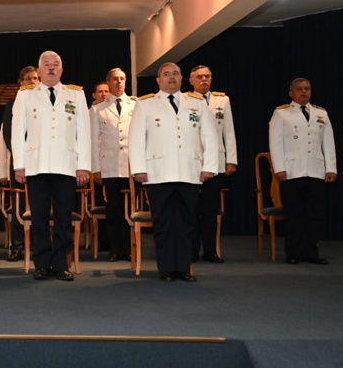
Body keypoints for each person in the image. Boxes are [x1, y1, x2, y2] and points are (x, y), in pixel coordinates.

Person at [129, 62, 217, 282]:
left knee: (187, 222)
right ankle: (167, 268)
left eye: (175, 74)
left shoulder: (197, 103)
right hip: (158, 173)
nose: (171, 77)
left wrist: (209, 166)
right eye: (166, 74)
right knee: (164, 222)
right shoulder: (145, 104)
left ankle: (184, 268)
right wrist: (138, 168)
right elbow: (136, 138)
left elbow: (210, 137)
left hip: (190, 172)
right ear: (158, 80)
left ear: (182, 79)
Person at [12, 51, 91, 281]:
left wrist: (83, 166)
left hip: (66, 166)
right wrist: (19, 165)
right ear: (39, 70)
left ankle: (60, 264)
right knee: (39, 217)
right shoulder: (26, 95)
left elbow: (83, 133)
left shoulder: (76, 94)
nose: (51, 68)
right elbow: (18, 132)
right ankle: (42, 264)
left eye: (55, 64)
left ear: (62, 70)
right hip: (36, 166)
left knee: (64, 218)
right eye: (46, 65)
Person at [268, 78, 336, 265]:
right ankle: (293, 252)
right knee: (294, 213)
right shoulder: (281, 113)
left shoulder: (321, 113)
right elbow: (275, 143)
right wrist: (279, 168)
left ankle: (310, 252)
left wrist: (331, 168)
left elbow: (328, 143)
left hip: (315, 170)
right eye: (299, 89)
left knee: (315, 214)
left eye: (307, 89)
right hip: (292, 171)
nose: (304, 92)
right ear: (291, 93)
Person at [188, 65, 237, 263]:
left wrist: (231, 160)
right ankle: (192, 249)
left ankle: (210, 250)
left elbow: (229, 130)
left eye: (207, 76)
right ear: (191, 80)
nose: (204, 79)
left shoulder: (222, 100)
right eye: (199, 77)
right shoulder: (185, 100)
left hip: (216, 162)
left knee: (210, 210)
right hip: (192, 162)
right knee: (191, 209)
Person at [90, 68, 135, 262]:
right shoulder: (97, 108)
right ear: (108, 82)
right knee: (114, 209)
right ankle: (115, 249)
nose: (119, 82)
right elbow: (92, 141)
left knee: (131, 210)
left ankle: (130, 248)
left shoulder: (137, 104)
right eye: (115, 79)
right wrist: (95, 169)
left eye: (122, 79)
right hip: (109, 166)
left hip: (132, 167)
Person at [0, 66, 40, 261]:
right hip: (21, 163)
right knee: (19, 205)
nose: (32, 82)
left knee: (40, 205)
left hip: (42, 163)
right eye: (28, 79)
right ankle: (16, 246)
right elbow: (9, 135)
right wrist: (22, 159)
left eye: (35, 78)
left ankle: (39, 246)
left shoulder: (47, 103)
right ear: (20, 83)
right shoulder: (12, 104)